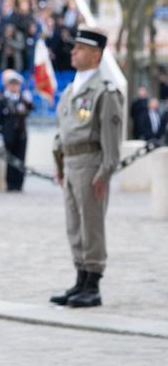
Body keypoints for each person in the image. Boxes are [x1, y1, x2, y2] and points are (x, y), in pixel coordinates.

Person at [51, 27, 123, 308]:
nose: (73, 52)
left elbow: (111, 139)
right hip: (70, 164)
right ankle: (80, 278)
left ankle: (92, 282)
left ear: (95, 55)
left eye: (80, 48)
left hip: (91, 163)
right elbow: (64, 129)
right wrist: (59, 163)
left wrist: (105, 172)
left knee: (91, 225)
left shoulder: (105, 91)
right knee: (74, 225)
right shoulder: (72, 89)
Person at [0, 69, 34, 191]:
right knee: (10, 160)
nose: (14, 86)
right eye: (12, 84)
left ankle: (19, 184)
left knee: (21, 159)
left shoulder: (23, 98)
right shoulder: (2, 98)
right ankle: (10, 184)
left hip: (21, 133)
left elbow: (29, 111)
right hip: (8, 134)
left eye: (16, 84)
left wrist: (28, 101)